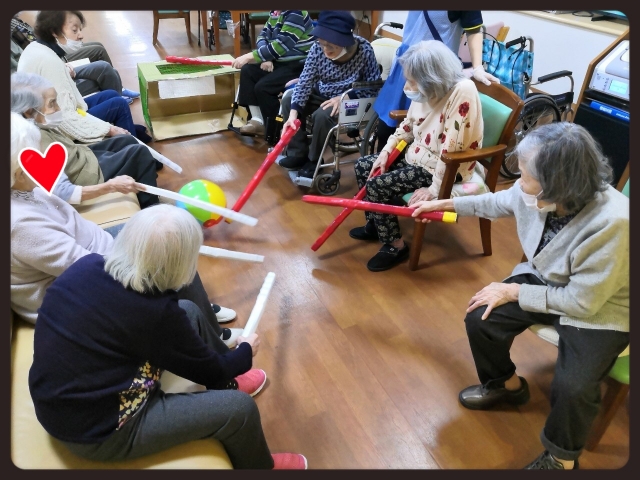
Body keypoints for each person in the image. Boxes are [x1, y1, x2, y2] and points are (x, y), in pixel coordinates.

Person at [411, 122, 629, 469]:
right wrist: (444, 203)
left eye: (526, 177)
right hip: (548, 278)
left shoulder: (613, 223)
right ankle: (506, 385)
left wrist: (514, 290)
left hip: (601, 305)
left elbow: (582, 302)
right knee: (481, 317)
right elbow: (496, 201)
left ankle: (561, 458)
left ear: (558, 184)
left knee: (574, 386)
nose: (519, 182)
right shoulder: (537, 193)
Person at [28, 204, 307, 470]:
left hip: (67, 400)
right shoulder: (155, 313)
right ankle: (261, 467)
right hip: (98, 431)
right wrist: (245, 351)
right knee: (240, 410)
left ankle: (227, 383)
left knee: (189, 311)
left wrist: (223, 369)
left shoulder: (87, 265)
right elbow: (209, 368)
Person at [10, 113, 239, 336]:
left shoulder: (25, 187)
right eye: (35, 155)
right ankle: (208, 332)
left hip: (97, 251)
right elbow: (84, 271)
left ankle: (205, 318)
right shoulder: (21, 224)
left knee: (173, 240)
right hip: (80, 291)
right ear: (19, 173)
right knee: (167, 252)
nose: (41, 157)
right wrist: (137, 256)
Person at [350, 40, 483, 272]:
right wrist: (386, 151)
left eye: (413, 81)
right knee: (364, 166)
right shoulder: (428, 90)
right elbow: (408, 125)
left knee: (378, 185)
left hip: (444, 167)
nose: (408, 86)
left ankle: (395, 246)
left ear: (432, 78)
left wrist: (435, 189)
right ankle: (376, 223)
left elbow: (452, 151)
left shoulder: (462, 91)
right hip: (418, 155)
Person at [11, 71, 160, 208]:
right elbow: (64, 192)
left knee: (125, 140)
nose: (58, 109)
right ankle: (151, 210)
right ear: (29, 112)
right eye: (52, 103)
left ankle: (147, 172)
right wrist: (110, 186)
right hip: (85, 176)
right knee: (139, 153)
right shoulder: (30, 142)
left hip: (81, 158)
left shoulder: (35, 125)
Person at [17, 10, 151, 144]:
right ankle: (136, 150)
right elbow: (66, 120)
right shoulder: (49, 61)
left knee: (111, 94)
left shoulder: (37, 47)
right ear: (54, 32)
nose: (81, 35)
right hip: (56, 129)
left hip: (53, 117)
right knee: (119, 104)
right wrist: (108, 129)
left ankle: (128, 130)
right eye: (74, 30)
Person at [373, 11, 499, 151]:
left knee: (425, 132)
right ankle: (385, 160)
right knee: (385, 128)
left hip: (433, 71)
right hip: (407, 62)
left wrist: (478, 68)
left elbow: (473, 29)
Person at [277, 11, 381, 180]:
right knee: (289, 99)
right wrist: (292, 115)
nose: (325, 49)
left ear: (345, 41)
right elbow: (305, 82)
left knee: (322, 115)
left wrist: (346, 97)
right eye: (322, 43)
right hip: (323, 92)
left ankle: (314, 160)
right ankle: (298, 154)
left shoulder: (364, 50)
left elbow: (373, 85)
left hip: (350, 100)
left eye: (331, 46)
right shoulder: (316, 49)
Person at [232, 10, 314, 138]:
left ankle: (275, 130)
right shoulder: (275, 12)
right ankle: (257, 120)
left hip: (299, 64)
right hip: (280, 60)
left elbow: (282, 45)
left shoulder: (295, 13)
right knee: (247, 71)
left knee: (263, 87)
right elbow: (262, 36)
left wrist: (249, 56)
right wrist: (266, 57)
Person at [49, 10, 140, 102]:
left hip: (60, 59)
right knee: (104, 67)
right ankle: (116, 95)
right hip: (60, 70)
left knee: (98, 48)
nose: (81, 36)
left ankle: (118, 88)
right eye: (74, 30)